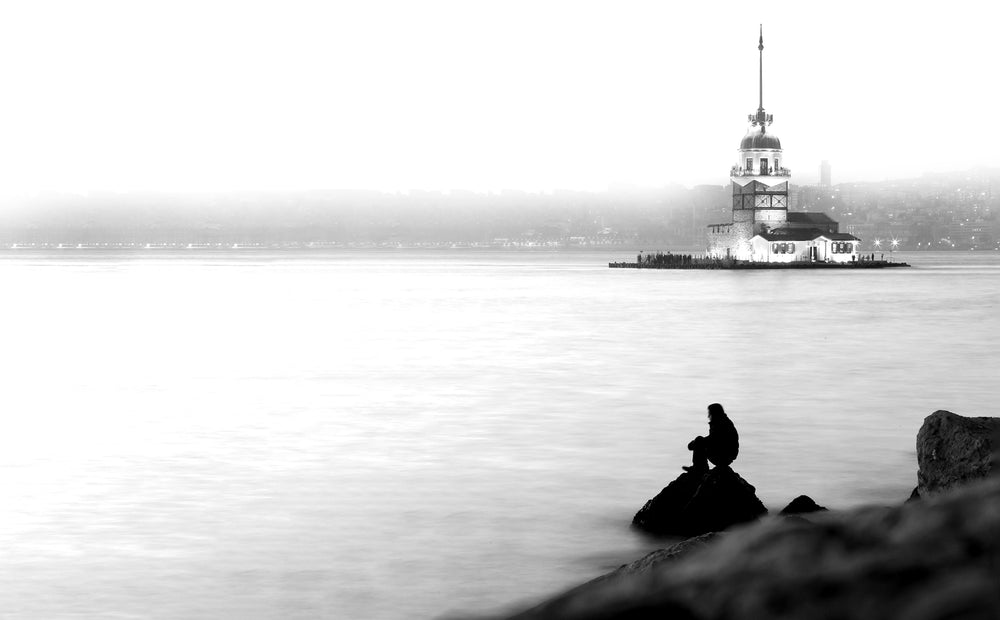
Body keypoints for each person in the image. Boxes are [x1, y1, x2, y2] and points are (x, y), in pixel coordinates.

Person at [683, 403, 739, 472]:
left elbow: (714, 440)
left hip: (724, 455)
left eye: (709, 413)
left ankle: (699, 468)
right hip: (725, 453)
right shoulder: (722, 422)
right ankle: (700, 467)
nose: (708, 416)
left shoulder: (722, 424)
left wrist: (696, 443)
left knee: (699, 440)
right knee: (700, 441)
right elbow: (712, 439)